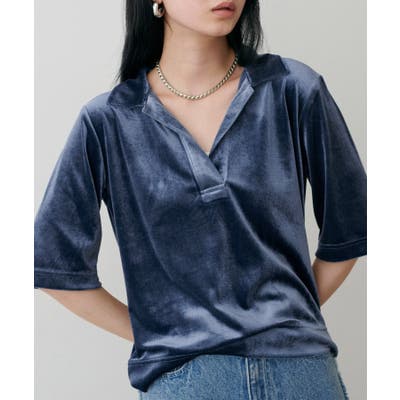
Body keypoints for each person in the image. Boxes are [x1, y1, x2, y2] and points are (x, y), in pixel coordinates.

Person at [34, 1, 366, 399]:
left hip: (300, 376)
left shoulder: (292, 88)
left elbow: (351, 228)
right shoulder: (109, 120)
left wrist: (285, 317)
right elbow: (52, 264)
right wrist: (164, 335)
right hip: (187, 383)